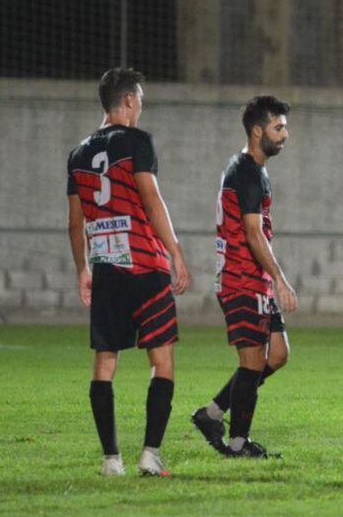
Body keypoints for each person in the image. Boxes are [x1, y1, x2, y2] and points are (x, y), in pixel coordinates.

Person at [66, 67, 191, 476]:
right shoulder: (138, 142)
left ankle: (111, 460)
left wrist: (83, 268)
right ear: (128, 101)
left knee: (105, 362)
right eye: (140, 101)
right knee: (163, 360)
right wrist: (175, 251)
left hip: (105, 268)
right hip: (145, 266)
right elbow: (151, 199)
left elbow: (74, 221)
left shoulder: (78, 153)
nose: (141, 108)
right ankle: (150, 455)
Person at [191, 96, 296, 458]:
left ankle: (212, 413)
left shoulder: (253, 168)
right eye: (278, 128)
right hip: (241, 279)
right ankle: (237, 445)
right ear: (257, 131)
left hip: (256, 281)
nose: (285, 134)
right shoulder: (246, 171)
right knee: (251, 365)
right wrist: (280, 278)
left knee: (277, 355)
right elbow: (253, 234)